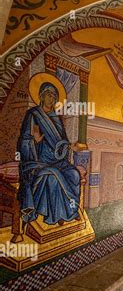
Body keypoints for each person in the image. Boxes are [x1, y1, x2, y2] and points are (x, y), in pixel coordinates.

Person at [17, 82, 81, 226]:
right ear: (41, 95)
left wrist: (69, 146)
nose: (51, 98)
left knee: (74, 174)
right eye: (49, 94)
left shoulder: (56, 118)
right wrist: (35, 141)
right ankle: (56, 216)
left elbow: (62, 142)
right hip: (38, 162)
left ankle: (71, 210)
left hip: (58, 161)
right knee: (52, 177)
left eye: (54, 96)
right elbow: (25, 140)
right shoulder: (33, 115)